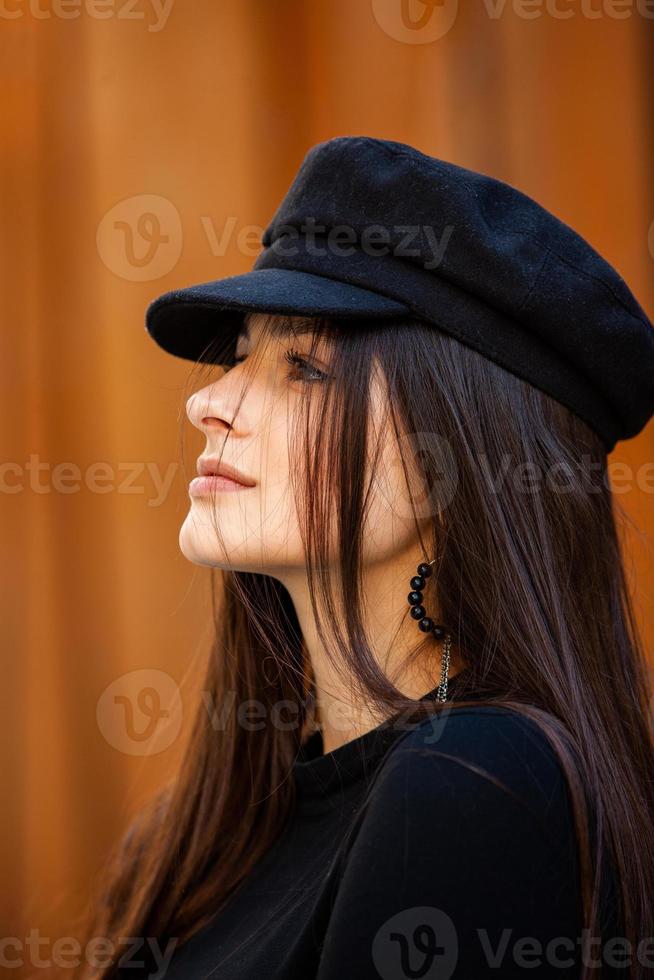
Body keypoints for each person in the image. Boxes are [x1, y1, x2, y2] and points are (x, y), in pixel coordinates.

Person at [77, 137, 654, 979]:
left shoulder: (471, 786)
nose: (207, 402)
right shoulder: (220, 826)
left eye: (304, 369)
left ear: (456, 462)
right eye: (241, 355)